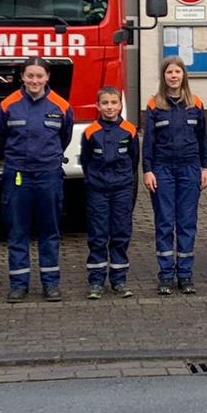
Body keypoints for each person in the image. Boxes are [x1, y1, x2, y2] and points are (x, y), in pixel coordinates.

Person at [0, 57, 73, 303]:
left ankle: (50, 284)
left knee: (50, 231)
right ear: (22, 78)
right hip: (18, 175)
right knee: (18, 231)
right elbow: (1, 137)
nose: (34, 80)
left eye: (39, 76)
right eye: (30, 76)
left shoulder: (61, 106)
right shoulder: (8, 105)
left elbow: (65, 137)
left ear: (47, 77)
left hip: (49, 174)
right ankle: (18, 285)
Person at [142, 56, 207, 295]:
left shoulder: (196, 103)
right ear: (163, 76)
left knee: (187, 223)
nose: (173, 76)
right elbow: (147, 142)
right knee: (164, 223)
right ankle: (166, 275)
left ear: (184, 75)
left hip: (190, 169)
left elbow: (203, 140)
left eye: (177, 72)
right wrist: (147, 170)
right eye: (169, 72)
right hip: (162, 170)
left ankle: (185, 275)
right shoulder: (154, 105)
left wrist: (205, 168)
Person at [79, 85, 139, 299]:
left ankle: (119, 280)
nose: (109, 107)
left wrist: (124, 182)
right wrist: (95, 181)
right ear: (98, 105)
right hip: (98, 191)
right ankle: (96, 282)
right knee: (97, 235)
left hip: (121, 190)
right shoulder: (90, 132)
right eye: (105, 103)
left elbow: (134, 161)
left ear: (120, 105)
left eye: (114, 103)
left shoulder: (130, 131)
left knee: (121, 234)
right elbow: (85, 161)